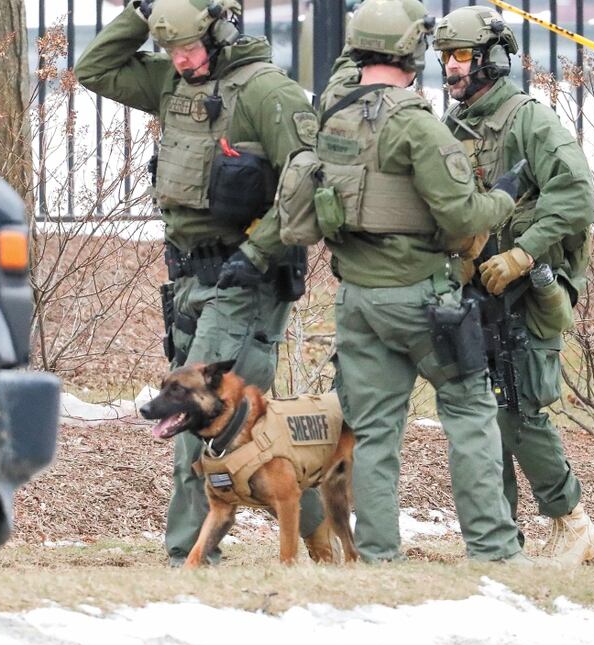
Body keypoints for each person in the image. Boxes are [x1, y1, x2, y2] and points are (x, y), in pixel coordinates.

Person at [76, 0, 338, 566]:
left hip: (245, 280)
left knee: (196, 413)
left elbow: (311, 178)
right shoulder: (174, 81)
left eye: (190, 46)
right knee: (241, 428)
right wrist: (144, 13)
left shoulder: (266, 92)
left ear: (220, 33)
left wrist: (257, 250)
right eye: (171, 48)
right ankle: (324, 540)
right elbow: (92, 70)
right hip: (191, 275)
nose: (182, 59)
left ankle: (188, 558)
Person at [315, 0, 526, 563]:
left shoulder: (334, 110)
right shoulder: (416, 123)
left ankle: (381, 556)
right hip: (422, 300)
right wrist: (503, 194)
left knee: (375, 430)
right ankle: (495, 550)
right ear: (413, 51)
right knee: (470, 412)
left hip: (357, 298)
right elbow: (461, 216)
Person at [434, 5, 594, 565]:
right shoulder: (453, 127)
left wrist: (524, 254)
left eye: (459, 56)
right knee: (485, 416)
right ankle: (501, 541)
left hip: (530, 292)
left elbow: (577, 193)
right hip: (475, 291)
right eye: (443, 58)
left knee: (520, 411)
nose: (450, 69)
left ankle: (573, 522)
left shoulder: (528, 118)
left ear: (489, 58)